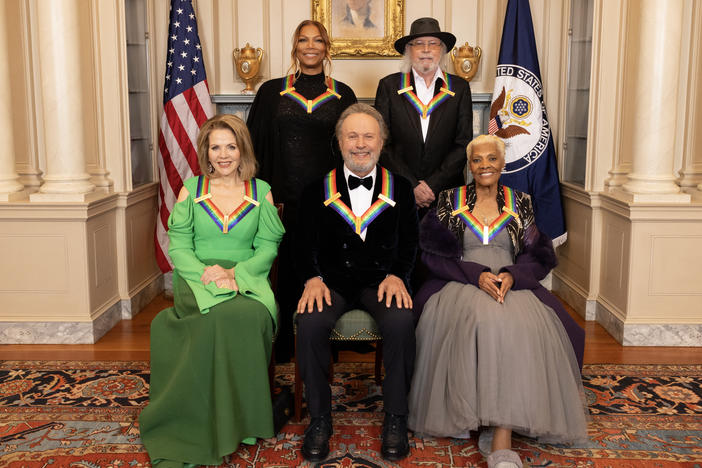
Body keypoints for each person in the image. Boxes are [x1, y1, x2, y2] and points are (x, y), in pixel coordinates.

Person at [408, 135, 587, 468]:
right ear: (469, 165)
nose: (485, 165)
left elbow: (541, 255)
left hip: (509, 281)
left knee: (517, 322)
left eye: (492, 159)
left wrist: (512, 275)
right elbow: (431, 256)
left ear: (503, 164)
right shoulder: (450, 200)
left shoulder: (522, 202)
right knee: (479, 319)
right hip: (461, 279)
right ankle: (471, 413)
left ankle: (502, 436)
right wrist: (474, 274)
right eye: (477, 160)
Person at [139, 114, 285, 468]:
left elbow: (267, 246)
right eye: (216, 147)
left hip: (247, 278)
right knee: (217, 317)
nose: (223, 155)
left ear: (242, 150)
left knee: (249, 316)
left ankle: (243, 421)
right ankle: (200, 418)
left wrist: (237, 274)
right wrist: (208, 274)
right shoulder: (192, 189)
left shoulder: (260, 191)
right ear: (206, 151)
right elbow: (178, 247)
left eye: (231, 146)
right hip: (198, 280)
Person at [295, 103, 418, 462]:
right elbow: (301, 245)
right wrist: (312, 278)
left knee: (401, 321)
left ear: (382, 142)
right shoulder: (314, 190)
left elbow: (411, 242)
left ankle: (395, 416)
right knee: (311, 321)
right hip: (331, 282)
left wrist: (399, 275)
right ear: (339, 141)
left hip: (381, 281)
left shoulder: (402, 189)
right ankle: (320, 419)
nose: (360, 144)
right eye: (352, 136)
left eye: (368, 136)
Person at [247, 20, 357, 362]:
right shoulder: (270, 92)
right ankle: (279, 345)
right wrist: (258, 196)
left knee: (325, 270)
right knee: (282, 272)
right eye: (303, 40)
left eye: (318, 40)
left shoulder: (344, 94)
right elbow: (253, 150)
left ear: (327, 47)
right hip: (279, 202)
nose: (311, 46)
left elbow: (354, 152)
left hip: (329, 205)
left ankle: (324, 344)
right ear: (295, 47)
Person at [375, 17, 473, 215]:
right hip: (400, 193)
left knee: (443, 246)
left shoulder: (460, 87)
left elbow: (463, 144)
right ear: (408, 50)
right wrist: (413, 186)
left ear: (442, 50)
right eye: (418, 44)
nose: (426, 49)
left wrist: (432, 185)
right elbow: (382, 143)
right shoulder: (389, 86)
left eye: (433, 44)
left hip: (447, 194)